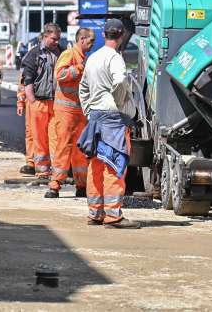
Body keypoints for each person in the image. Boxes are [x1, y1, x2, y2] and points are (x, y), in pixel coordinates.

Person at [77, 19, 140, 228]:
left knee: (96, 165)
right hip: (112, 118)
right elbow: (121, 81)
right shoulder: (115, 58)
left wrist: (88, 109)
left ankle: (96, 213)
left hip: (95, 117)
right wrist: (121, 103)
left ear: (104, 35)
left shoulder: (93, 57)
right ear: (121, 37)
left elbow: (83, 87)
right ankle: (113, 216)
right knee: (114, 165)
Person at [44, 27, 95, 199]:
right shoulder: (69, 55)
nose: (92, 45)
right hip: (66, 110)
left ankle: (82, 184)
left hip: (79, 111)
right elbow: (60, 74)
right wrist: (79, 68)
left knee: (80, 149)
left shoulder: (84, 58)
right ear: (81, 39)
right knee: (63, 146)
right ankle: (55, 185)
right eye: (90, 41)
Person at [21, 23, 62, 179]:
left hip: (55, 102)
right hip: (38, 101)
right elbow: (27, 78)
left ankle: (55, 169)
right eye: (54, 39)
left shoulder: (61, 53)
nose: (57, 42)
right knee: (39, 137)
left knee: (55, 137)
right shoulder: (34, 54)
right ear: (45, 36)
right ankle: (42, 170)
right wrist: (31, 100)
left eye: (58, 39)